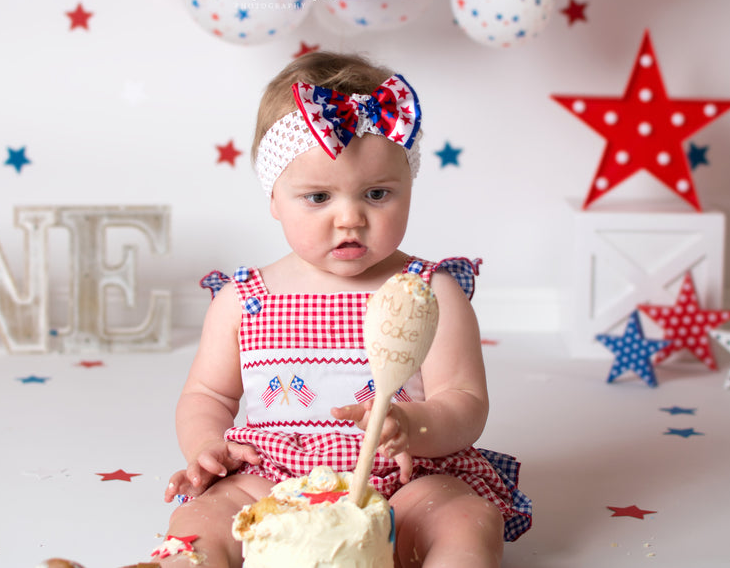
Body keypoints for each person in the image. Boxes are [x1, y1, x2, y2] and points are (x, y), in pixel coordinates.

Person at [159, 51, 531, 567]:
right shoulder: (244, 300)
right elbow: (207, 393)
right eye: (317, 198)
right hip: (271, 480)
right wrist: (205, 444)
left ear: (409, 188)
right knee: (199, 521)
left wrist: (415, 424)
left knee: (463, 517)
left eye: (377, 193)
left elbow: (465, 402)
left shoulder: (428, 292)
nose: (350, 218)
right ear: (274, 198)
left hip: (402, 481)